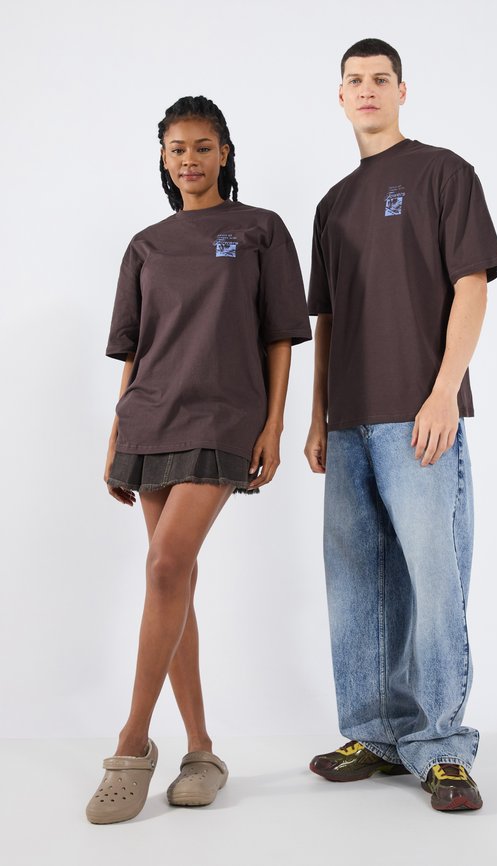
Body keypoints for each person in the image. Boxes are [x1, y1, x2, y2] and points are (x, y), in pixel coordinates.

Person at [86, 95, 312, 824]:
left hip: (223, 416)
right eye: (177, 148)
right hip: (149, 417)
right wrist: (116, 432)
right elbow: (133, 349)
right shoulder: (145, 245)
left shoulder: (259, 230)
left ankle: (131, 744)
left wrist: (274, 424)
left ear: (224, 153)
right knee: (173, 578)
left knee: (164, 565)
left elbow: (279, 334)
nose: (190, 159)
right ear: (163, 157)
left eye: (203, 147)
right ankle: (203, 751)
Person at [304, 38, 497, 812]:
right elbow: (327, 320)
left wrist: (443, 392)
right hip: (349, 422)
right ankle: (375, 733)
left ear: (401, 91)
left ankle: (443, 746)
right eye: (354, 80)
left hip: (420, 415)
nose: (367, 90)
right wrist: (319, 417)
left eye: (380, 79)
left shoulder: (442, 173)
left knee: (433, 579)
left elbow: (472, 286)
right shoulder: (332, 205)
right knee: (356, 582)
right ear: (340, 96)